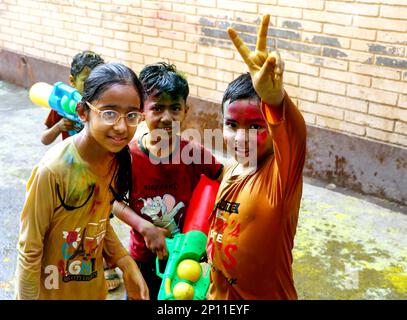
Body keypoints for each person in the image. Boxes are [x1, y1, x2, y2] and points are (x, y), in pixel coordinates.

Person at [16, 62, 149, 300]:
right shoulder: (53, 171)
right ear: (82, 112)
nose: (121, 126)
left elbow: (96, 221)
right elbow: (30, 249)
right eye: (109, 112)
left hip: (93, 291)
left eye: (131, 115)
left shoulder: (116, 160)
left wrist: (125, 262)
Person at [206, 15, 307, 299]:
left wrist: (275, 100)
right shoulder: (232, 170)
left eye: (255, 127)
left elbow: (295, 134)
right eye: (232, 125)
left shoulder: (281, 177)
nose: (241, 138)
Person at [112, 62, 224, 299]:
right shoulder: (129, 157)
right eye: (157, 108)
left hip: (185, 260)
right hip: (142, 257)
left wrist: (208, 231)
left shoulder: (195, 153)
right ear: (142, 110)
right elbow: (112, 200)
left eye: (175, 108)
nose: (167, 117)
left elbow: (223, 180)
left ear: (186, 111)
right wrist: (144, 227)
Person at [40, 50, 104, 145]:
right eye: (85, 80)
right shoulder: (64, 102)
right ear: (73, 81)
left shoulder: (104, 104)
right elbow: (45, 139)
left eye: (96, 80)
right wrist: (59, 127)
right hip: (72, 157)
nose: (91, 85)